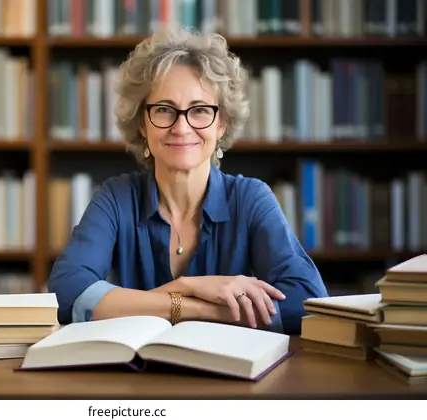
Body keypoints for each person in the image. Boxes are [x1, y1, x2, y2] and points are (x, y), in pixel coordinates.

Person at [47, 25, 328, 335]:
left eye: (199, 110)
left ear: (222, 123)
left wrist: (144, 305)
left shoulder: (250, 198)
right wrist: (190, 293)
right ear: (143, 123)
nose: (181, 128)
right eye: (165, 110)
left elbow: (307, 300)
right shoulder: (116, 198)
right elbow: (67, 292)